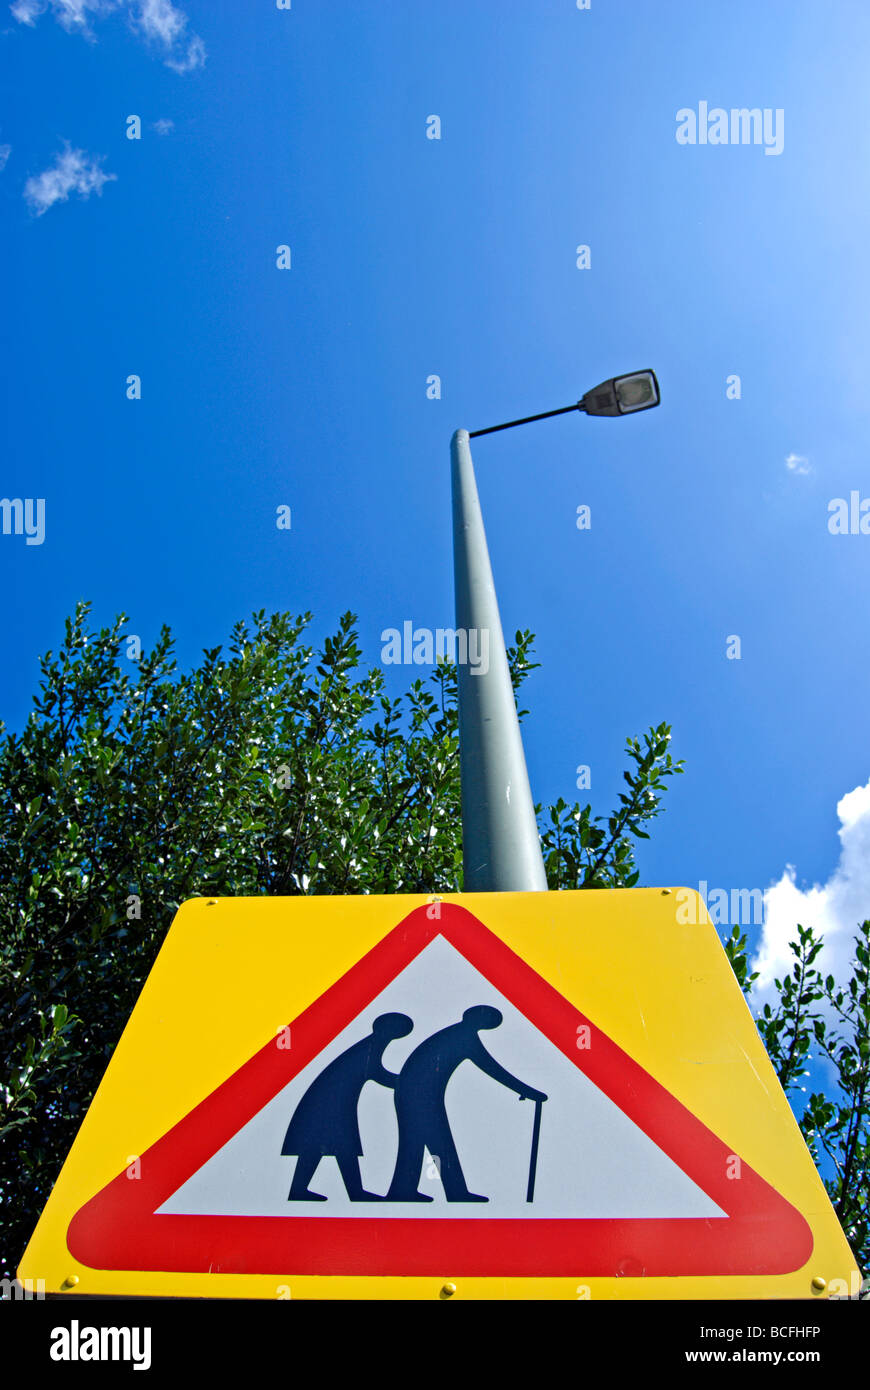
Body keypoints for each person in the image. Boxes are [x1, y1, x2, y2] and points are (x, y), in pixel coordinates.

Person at [386, 1005, 547, 1202]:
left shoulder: (456, 1034)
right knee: (437, 1142)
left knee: (418, 1142)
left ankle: (405, 1190)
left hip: (415, 1094)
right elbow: (493, 1069)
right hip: (420, 1096)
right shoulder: (464, 1037)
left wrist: (527, 1092)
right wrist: (528, 1092)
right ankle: (452, 1192)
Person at [281, 1012, 413, 1201]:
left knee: (334, 1145)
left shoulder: (372, 1043)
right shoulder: (371, 1045)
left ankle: (348, 1191)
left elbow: (372, 1071)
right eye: (398, 1031)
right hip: (330, 1102)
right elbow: (374, 1071)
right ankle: (317, 1190)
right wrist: (405, 1081)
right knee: (332, 1144)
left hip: (334, 1101)